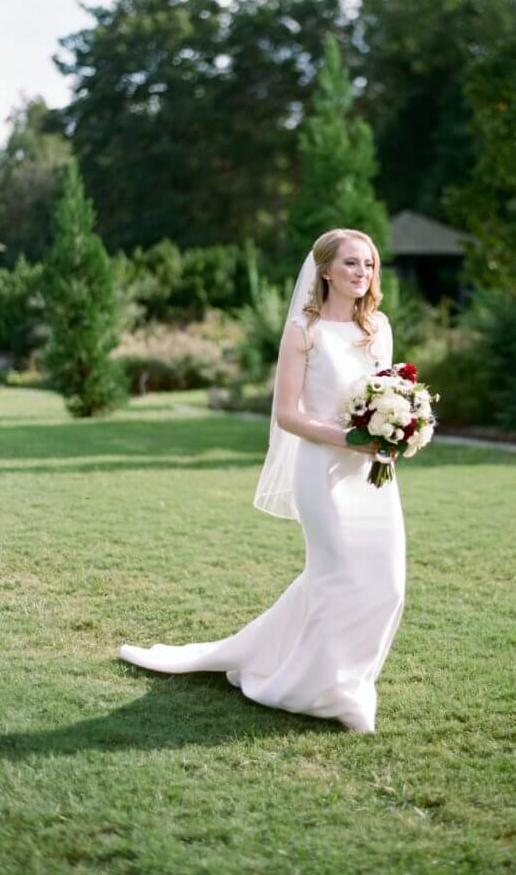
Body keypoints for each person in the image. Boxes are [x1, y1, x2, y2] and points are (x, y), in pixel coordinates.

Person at [119, 228, 406, 734]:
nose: (362, 274)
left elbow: (385, 395)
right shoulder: (304, 330)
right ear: (325, 271)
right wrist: (349, 440)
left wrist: (399, 428)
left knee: (387, 583)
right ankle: (331, 692)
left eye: (369, 264)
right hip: (322, 473)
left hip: (372, 476)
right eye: (351, 264)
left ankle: (341, 676)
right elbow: (288, 416)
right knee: (337, 579)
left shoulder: (377, 328)